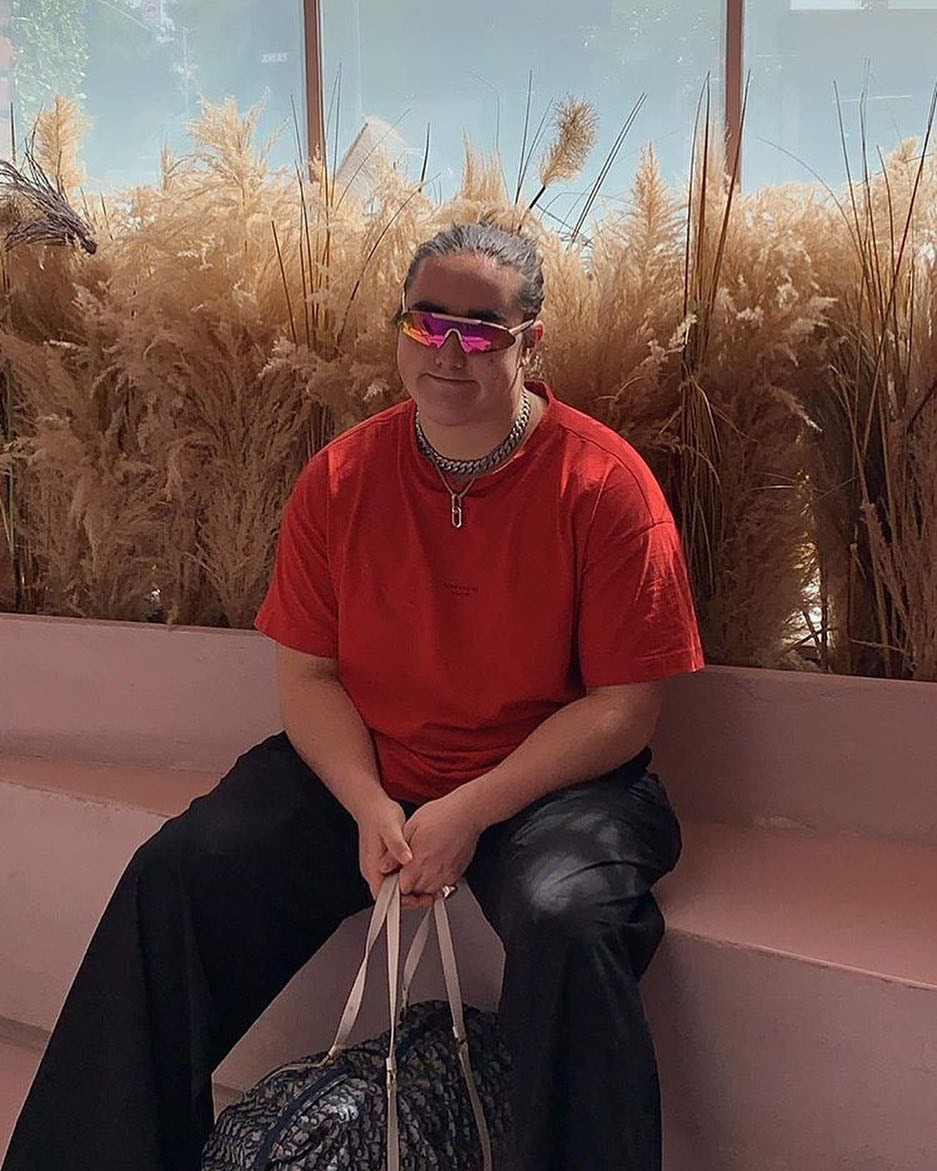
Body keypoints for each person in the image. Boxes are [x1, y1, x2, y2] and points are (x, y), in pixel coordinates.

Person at [2, 221, 704, 1171]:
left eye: (479, 329)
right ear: (399, 327)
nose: (448, 350)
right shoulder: (341, 477)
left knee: (569, 920)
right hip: (366, 768)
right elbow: (309, 677)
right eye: (426, 321)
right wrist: (370, 803)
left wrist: (469, 809)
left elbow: (624, 708)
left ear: (530, 343)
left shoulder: (605, 486)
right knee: (180, 871)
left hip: (544, 785)